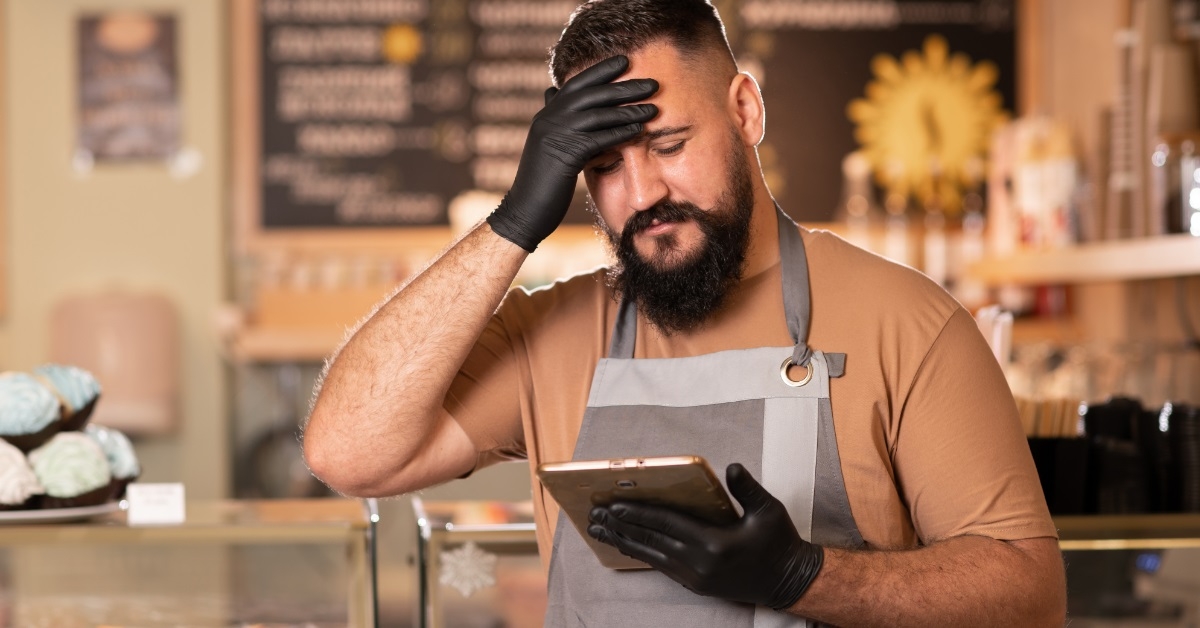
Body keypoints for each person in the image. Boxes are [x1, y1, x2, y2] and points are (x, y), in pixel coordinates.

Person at [303, 0, 1067, 625]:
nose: (641, 197)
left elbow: (1030, 594)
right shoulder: (553, 336)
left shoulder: (909, 323)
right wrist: (514, 222)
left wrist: (804, 576)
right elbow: (348, 454)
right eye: (601, 166)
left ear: (745, 109)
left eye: (668, 144)